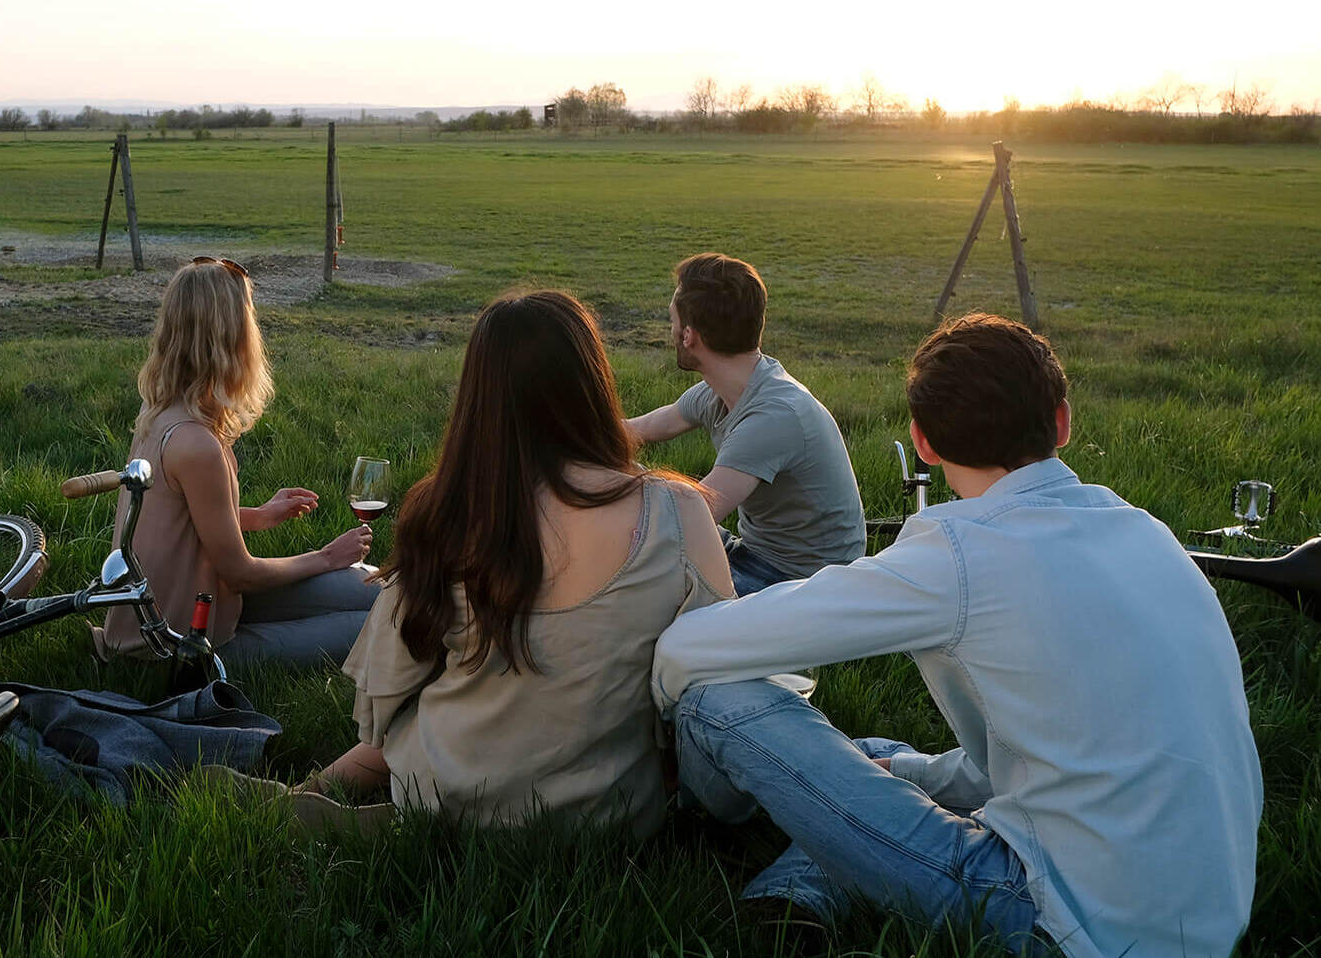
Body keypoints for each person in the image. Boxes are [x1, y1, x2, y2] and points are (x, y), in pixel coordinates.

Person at [651, 314, 1262, 957]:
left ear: (923, 443)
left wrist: (672, 722)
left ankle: (700, 828)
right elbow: (1054, 758)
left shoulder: (959, 554)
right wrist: (897, 771)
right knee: (879, 753)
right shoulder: (1146, 531)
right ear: (1062, 422)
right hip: (1206, 920)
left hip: (1057, 925)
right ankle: (792, 899)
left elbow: (691, 648)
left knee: (718, 701)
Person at [306, 291, 734, 839]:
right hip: (611, 816)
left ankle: (319, 796)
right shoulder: (678, 512)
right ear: (593, 384)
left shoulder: (449, 510)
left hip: (445, 796)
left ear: (477, 398)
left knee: (434, 682)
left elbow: (386, 692)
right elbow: (717, 677)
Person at [93, 257, 377, 668]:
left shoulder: (161, 413)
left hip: (194, 608)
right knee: (376, 626)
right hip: (181, 644)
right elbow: (241, 573)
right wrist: (327, 557)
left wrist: (259, 516)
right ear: (230, 336)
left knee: (378, 594)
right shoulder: (194, 443)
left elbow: (187, 524)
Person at [627, 253, 865, 593]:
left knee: (654, 598)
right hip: (752, 553)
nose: (672, 329)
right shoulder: (721, 392)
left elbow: (693, 517)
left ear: (688, 336)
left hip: (806, 582)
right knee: (636, 502)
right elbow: (638, 430)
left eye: (672, 321)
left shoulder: (774, 416)